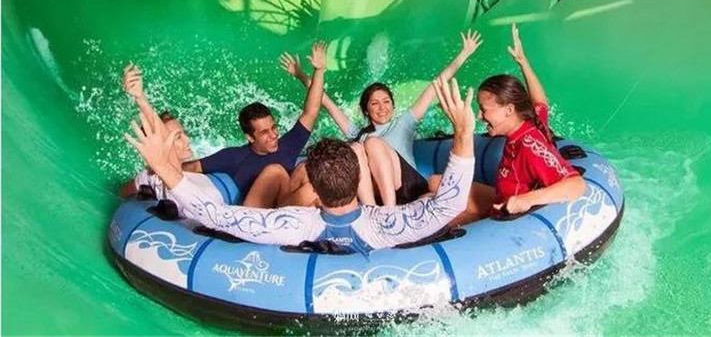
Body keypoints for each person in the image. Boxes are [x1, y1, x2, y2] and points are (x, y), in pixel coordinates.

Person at [122, 77, 476, 253]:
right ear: (357, 178)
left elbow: (215, 215)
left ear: (318, 189)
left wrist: (161, 165)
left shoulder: (290, 225)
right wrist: (463, 134)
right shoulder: (390, 223)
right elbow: (450, 204)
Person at [279, 30, 483, 207]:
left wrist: (464, 53)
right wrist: (300, 74)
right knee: (354, 148)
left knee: (372, 143)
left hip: (408, 187)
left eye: (386, 102)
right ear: (366, 110)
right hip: (376, 194)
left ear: (393, 106)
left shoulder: (404, 124)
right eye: (375, 103)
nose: (382, 107)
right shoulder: (357, 133)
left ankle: (389, 211)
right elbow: (325, 101)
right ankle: (371, 210)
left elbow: (435, 85)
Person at [120, 41, 327, 208]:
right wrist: (155, 166)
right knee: (276, 172)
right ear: (249, 137)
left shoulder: (288, 145)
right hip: (260, 216)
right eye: (264, 132)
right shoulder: (234, 157)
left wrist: (319, 70)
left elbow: (311, 112)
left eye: (274, 127)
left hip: (288, 205)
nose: (273, 135)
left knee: (305, 168)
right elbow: (189, 168)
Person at [453, 24, 585, 224]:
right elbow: (540, 102)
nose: (479, 116)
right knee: (436, 183)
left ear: (509, 109)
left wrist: (526, 200)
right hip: (499, 197)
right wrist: (522, 61)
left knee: (441, 209)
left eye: (484, 109)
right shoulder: (530, 120)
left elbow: (576, 185)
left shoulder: (530, 146)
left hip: (505, 216)